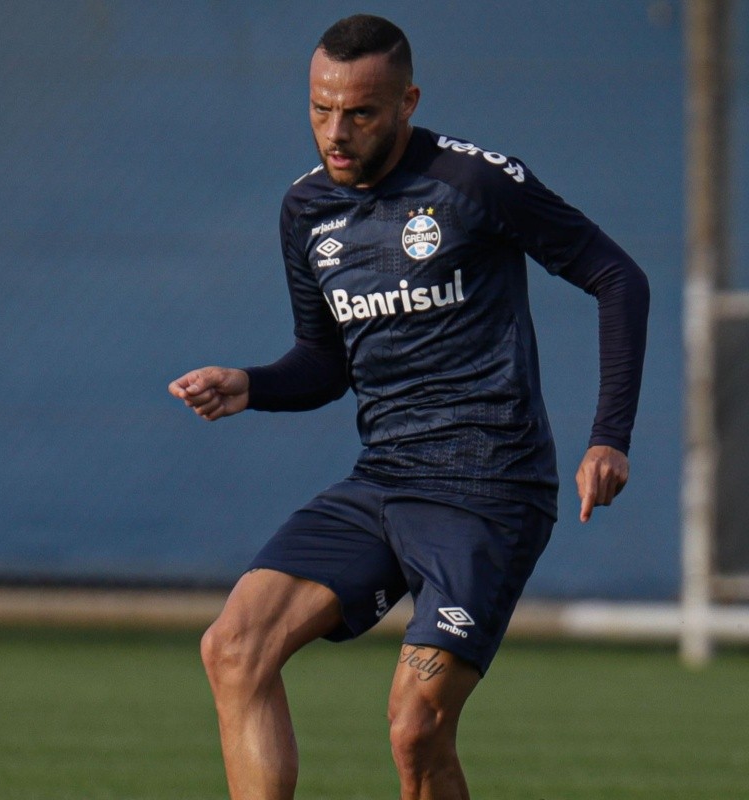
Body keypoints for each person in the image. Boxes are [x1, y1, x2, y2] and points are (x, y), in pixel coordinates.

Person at [168, 14, 649, 800]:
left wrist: (609, 437)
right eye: (320, 108)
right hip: (386, 478)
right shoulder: (306, 212)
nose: (335, 130)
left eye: (359, 112)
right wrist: (251, 384)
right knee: (233, 647)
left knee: (415, 728)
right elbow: (326, 364)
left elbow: (618, 277)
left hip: (491, 488)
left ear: (407, 102)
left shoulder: (473, 184)